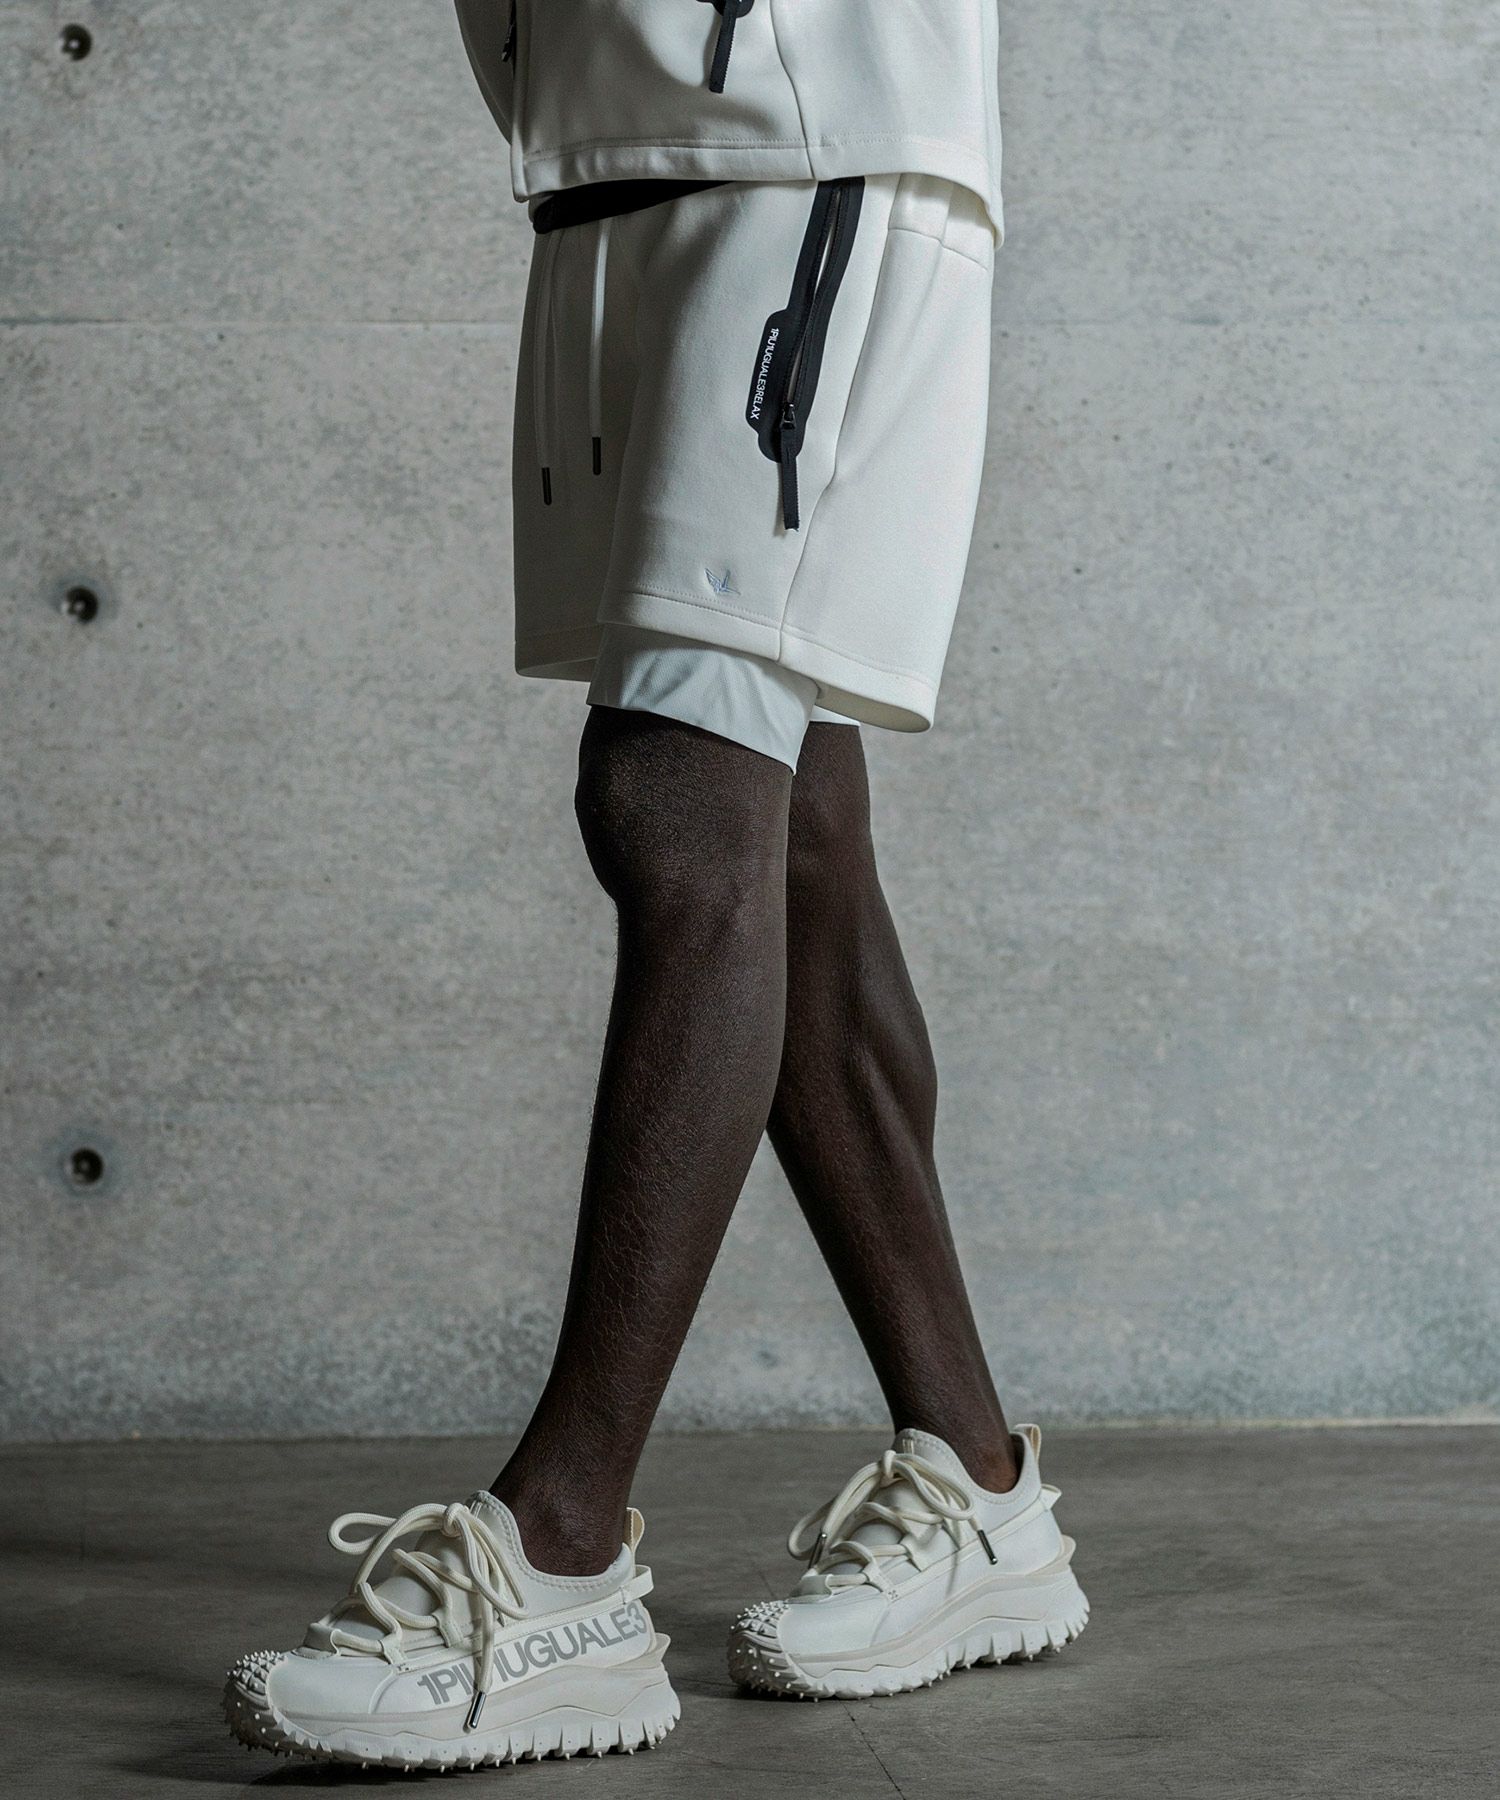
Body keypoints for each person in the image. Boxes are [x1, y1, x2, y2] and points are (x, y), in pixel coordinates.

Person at [225, 1, 1087, 1769]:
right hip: (615, 148)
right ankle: (982, 1489)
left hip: (804, 130)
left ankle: (560, 1564)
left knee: (674, 799)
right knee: (791, 833)